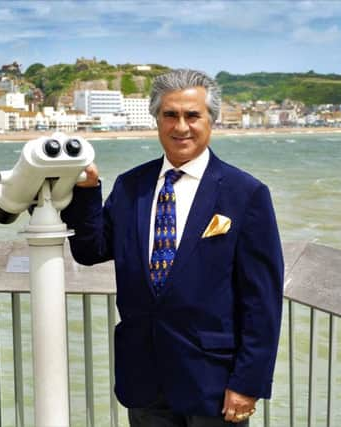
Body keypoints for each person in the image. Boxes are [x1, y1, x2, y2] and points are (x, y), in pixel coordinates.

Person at [61, 69, 284, 426]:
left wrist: (248, 383)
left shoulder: (246, 194)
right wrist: (87, 192)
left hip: (214, 383)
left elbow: (262, 301)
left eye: (192, 115)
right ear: (157, 120)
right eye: (170, 115)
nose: (181, 127)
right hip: (145, 377)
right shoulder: (131, 185)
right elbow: (90, 250)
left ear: (212, 120)